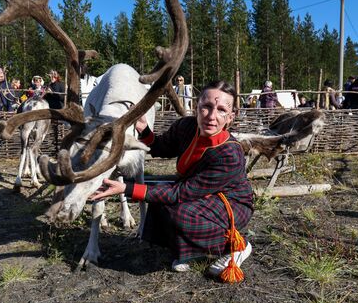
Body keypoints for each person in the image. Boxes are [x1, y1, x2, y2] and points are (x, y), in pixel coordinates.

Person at [91, 80, 253, 281]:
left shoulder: (229, 154)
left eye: (221, 110)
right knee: (162, 204)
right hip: (197, 194)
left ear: (231, 116)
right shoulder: (187, 127)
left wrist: (126, 188)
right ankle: (191, 252)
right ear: (197, 107)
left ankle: (237, 245)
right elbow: (160, 147)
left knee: (179, 213)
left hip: (230, 203)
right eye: (207, 107)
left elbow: (180, 193)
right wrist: (143, 128)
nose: (211, 116)